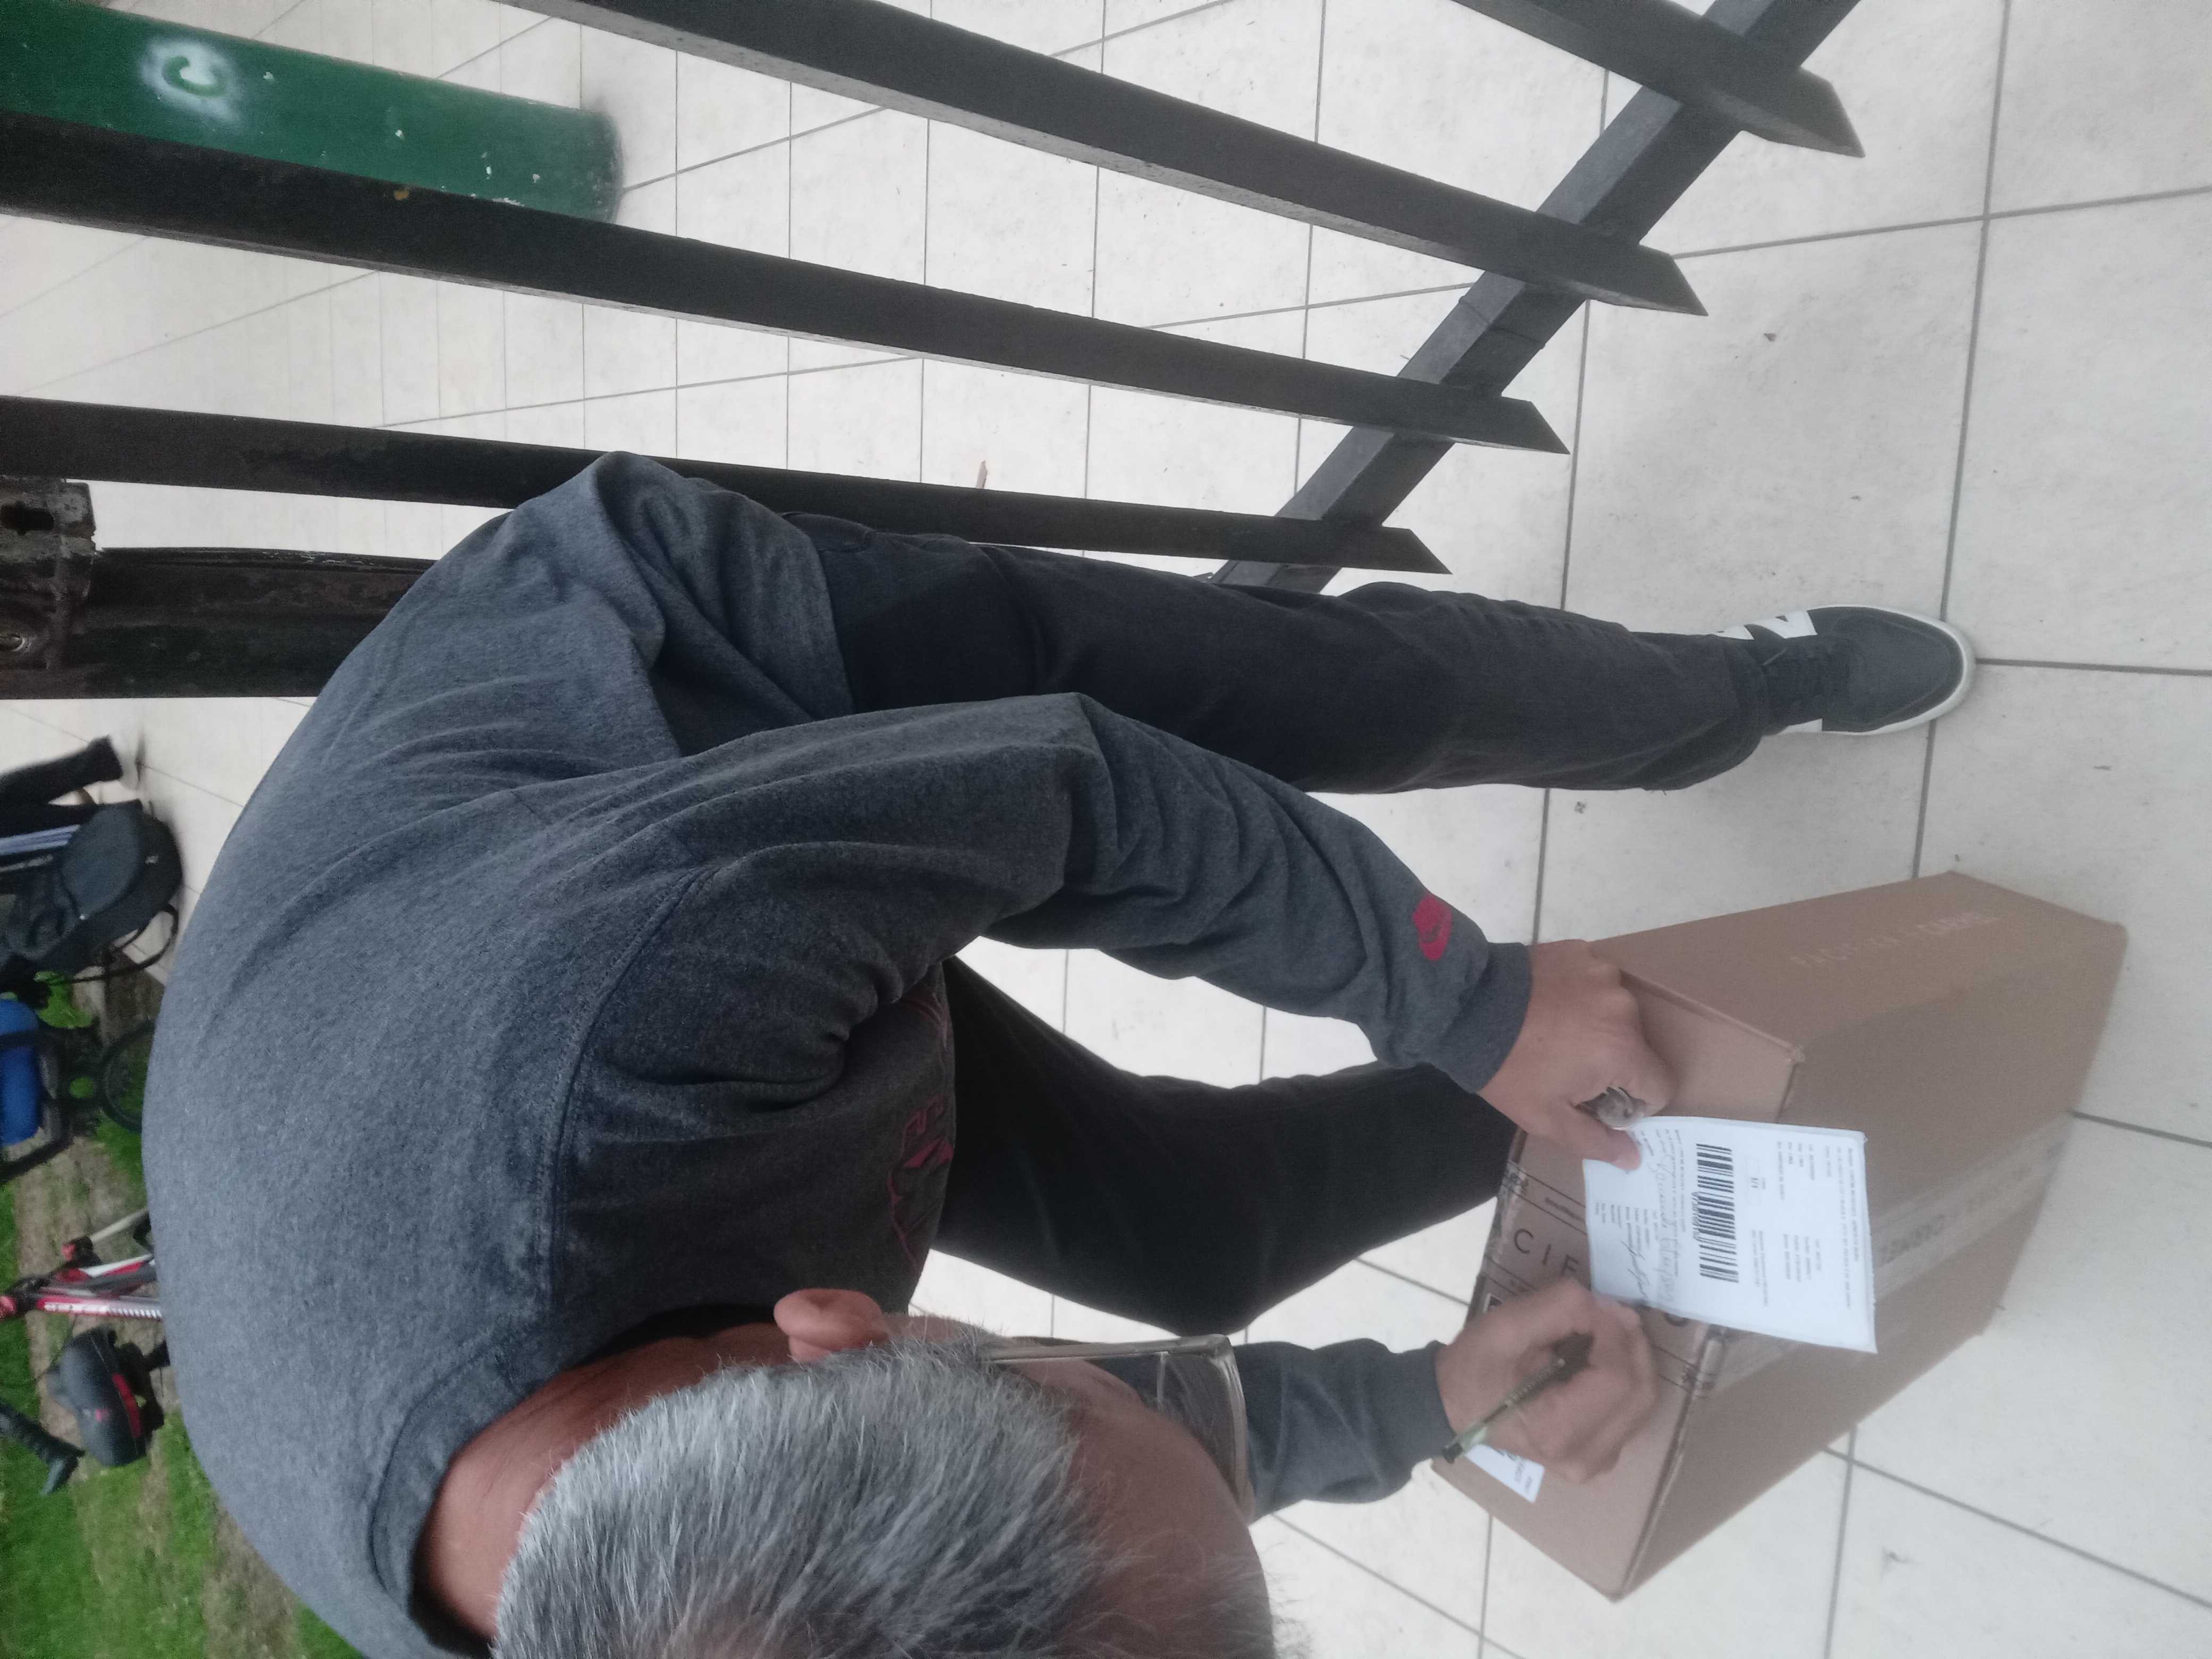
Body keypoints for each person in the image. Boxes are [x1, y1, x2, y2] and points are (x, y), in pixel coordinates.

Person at [143, 455, 1974, 1659]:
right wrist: (1426, 1405)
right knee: (1196, 1247)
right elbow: (1035, 1568)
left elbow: (1081, 789)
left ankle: (1740, 689)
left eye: (1081, 1394)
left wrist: (1460, 994)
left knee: (1335, 702)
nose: (1105, 1390)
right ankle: (1660, 1071)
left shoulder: (631, 1003)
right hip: (551, 1070)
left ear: (849, 1329)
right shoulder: (611, 1612)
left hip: (664, 687)